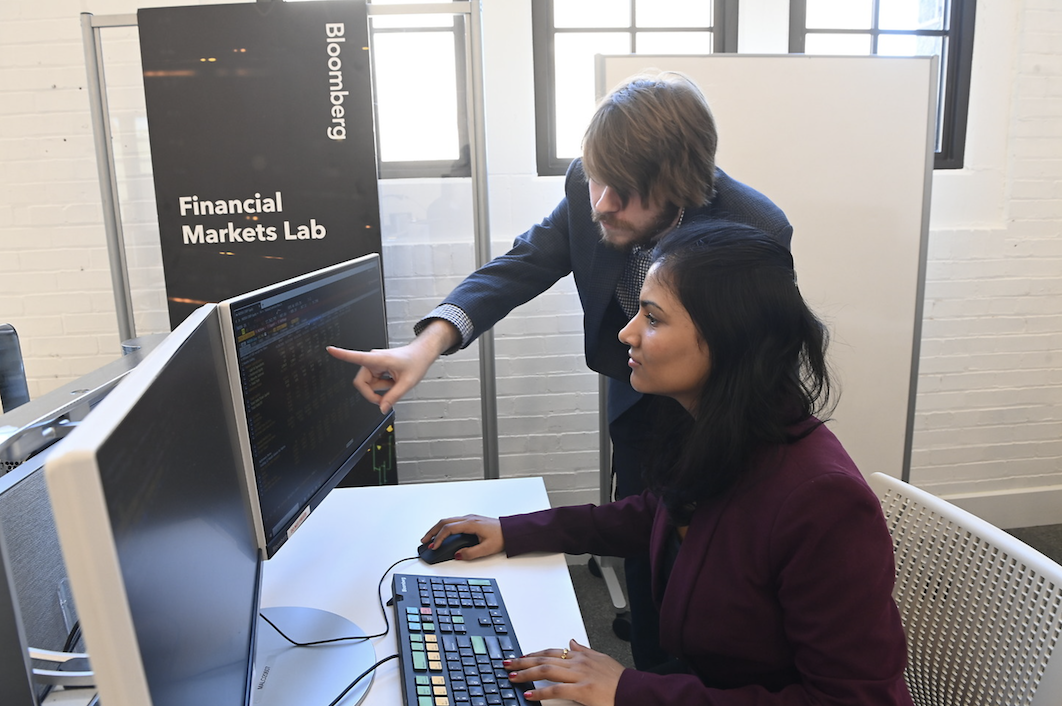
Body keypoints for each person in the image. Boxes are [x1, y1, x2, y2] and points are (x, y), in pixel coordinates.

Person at [328, 71, 793, 669]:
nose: (601, 203)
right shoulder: (592, 182)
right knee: (649, 559)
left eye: (624, 191)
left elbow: (760, 358)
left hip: (727, 413)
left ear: (678, 186)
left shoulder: (753, 227)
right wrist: (425, 347)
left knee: (723, 589)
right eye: (597, 179)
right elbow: (524, 263)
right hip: (641, 401)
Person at [418, 222, 914, 706]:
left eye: (652, 319)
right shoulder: (721, 431)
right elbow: (653, 516)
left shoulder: (822, 501)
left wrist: (630, 690)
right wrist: (514, 530)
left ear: (728, 340)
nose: (627, 333)